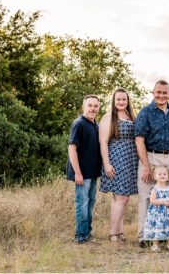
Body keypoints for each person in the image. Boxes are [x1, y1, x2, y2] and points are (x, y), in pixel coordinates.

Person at [134, 80, 169, 248]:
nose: (161, 95)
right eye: (158, 92)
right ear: (153, 93)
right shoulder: (145, 113)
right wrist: (146, 166)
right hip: (150, 157)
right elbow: (139, 140)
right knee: (146, 198)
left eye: (165, 92)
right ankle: (144, 236)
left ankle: (168, 234)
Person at [99, 88, 138, 242]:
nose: (121, 102)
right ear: (113, 101)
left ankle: (120, 231)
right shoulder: (109, 117)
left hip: (130, 161)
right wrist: (107, 164)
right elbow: (103, 142)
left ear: (128, 101)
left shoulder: (131, 116)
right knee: (120, 198)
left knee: (123, 199)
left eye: (124, 99)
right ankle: (112, 233)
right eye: (118, 100)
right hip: (116, 160)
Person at [66, 95, 102, 244]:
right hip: (82, 173)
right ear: (83, 107)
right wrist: (78, 173)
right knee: (82, 203)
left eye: (96, 106)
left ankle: (87, 233)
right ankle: (81, 236)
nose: (93, 108)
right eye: (90, 105)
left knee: (90, 202)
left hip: (92, 172)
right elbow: (72, 149)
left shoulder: (95, 124)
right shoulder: (79, 124)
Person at [143, 166, 169, 252]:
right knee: (157, 226)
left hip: (168, 213)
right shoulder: (154, 189)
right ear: (155, 177)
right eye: (159, 174)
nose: (162, 175)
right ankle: (155, 245)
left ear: (168, 176)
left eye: (164, 174)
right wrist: (163, 202)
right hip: (157, 213)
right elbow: (152, 200)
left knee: (168, 226)